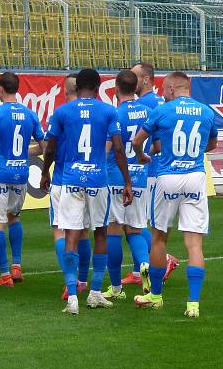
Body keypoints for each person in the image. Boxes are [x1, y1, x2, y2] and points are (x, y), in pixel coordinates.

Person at [41, 68, 133, 315]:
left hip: (70, 179)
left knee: (70, 233)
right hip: (97, 180)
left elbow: (51, 147)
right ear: (98, 85)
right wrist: (127, 181)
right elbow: (118, 148)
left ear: (77, 86)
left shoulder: (62, 111)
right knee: (100, 232)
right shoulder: (108, 111)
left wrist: (44, 172)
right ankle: (94, 294)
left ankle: (72, 297)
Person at [131, 71, 218, 317]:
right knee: (195, 244)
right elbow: (211, 144)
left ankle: (156, 296)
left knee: (159, 238)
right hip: (195, 178)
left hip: (168, 177)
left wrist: (141, 156)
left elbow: (138, 141)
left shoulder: (161, 111)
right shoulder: (206, 111)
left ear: (170, 89)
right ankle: (193, 304)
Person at [0, 72, 46, 287]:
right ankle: (17, 266)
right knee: (14, 218)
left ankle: (4, 275)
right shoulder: (30, 114)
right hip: (21, 174)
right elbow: (43, 146)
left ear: (0, 89)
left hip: (0, 174)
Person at [101, 70, 154, 302]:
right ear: (136, 88)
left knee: (113, 228)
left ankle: (115, 287)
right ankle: (143, 264)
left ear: (115, 90)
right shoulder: (150, 112)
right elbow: (157, 145)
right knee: (135, 228)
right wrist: (143, 156)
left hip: (116, 177)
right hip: (141, 178)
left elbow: (107, 149)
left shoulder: (115, 114)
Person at [128, 62, 178, 284]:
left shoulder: (145, 104)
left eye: (135, 77)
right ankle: (139, 270)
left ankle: (163, 259)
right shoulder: (163, 102)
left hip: (148, 171)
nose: (132, 81)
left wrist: (138, 152)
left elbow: (154, 144)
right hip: (162, 169)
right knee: (135, 222)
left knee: (134, 223)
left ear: (146, 79)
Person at [49, 73, 95, 300]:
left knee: (60, 230)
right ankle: (84, 279)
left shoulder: (62, 114)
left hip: (62, 179)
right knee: (84, 231)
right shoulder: (97, 112)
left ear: (66, 90)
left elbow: (49, 146)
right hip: (90, 179)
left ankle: (71, 281)